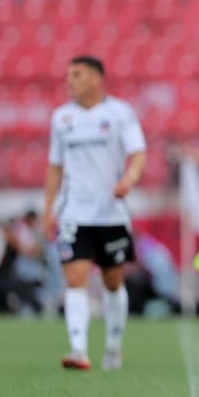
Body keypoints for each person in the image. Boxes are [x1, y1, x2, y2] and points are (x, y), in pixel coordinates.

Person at [44, 55, 147, 371]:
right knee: (74, 277)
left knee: (113, 281)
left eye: (76, 74)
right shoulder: (61, 118)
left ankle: (113, 346)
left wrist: (128, 180)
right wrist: (49, 207)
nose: (69, 80)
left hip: (111, 214)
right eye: (69, 74)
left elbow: (138, 153)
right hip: (75, 211)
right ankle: (78, 349)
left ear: (95, 78)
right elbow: (55, 166)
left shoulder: (119, 113)